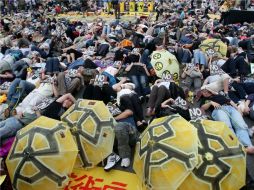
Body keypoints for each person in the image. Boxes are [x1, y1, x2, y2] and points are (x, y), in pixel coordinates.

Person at [200, 87, 254, 154]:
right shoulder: (204, 99)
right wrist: (211, 103)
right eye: (203, 92)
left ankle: (248, 145)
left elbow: (230, 101)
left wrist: (237, 109)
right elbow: (202, 108)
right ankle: (235, 145)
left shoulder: (219, 95)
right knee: (227, 127)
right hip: (219, 109)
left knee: (241, 125)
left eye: (206, 91)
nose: (205, 92)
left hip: (231, 108)